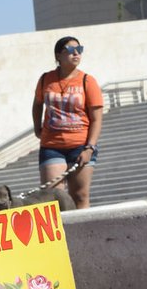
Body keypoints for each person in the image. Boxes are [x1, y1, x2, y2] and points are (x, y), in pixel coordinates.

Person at [32, 36, 104, 210]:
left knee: (80, 196)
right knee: (53, 199)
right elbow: (37, 104)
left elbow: (96, 118)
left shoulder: (88, 81)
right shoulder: (46, 79)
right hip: (52, 146)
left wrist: (89, 148)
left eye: (79, 49)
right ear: (58, 55)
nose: (76, 53)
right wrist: (37, 127)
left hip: (80, 145)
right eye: (71, 50)